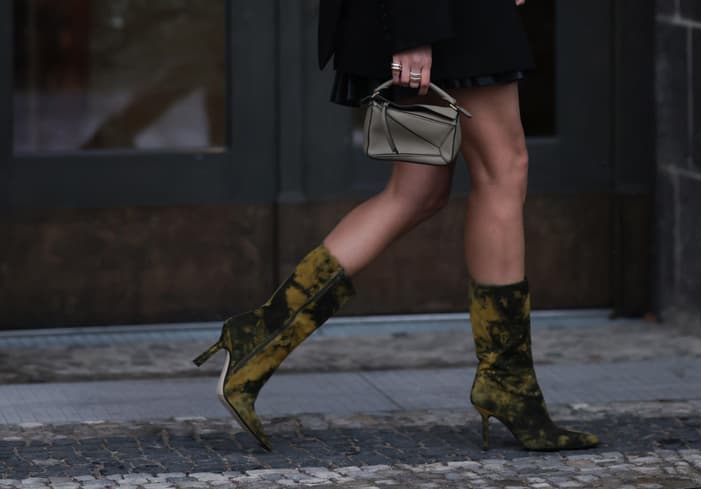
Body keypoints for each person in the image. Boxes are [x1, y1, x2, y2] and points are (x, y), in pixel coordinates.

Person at [194, 0, 600, 453]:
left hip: (431, 19)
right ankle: (508, 384)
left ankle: (258, 339)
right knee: (503, 171)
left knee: (417, 192)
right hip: (440, 19)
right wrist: (413, 31)